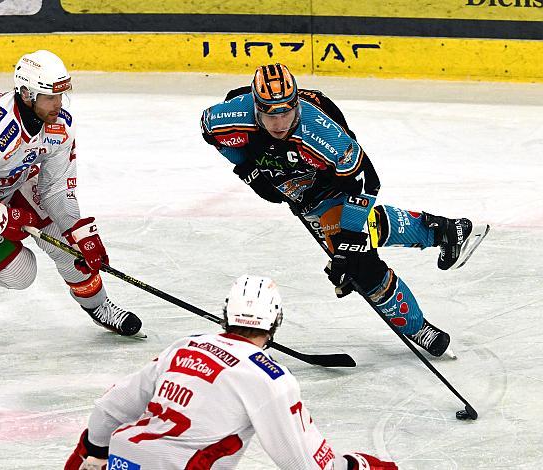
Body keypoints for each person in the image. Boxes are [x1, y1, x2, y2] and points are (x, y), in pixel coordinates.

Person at [200, 64, 489, 357]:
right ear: (256, 107)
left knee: (357, 263)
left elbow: (365, 183)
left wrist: (348, 241)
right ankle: (446, 230)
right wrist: (248, 168)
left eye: (286, 112)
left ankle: (417, 327)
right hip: (299, 184)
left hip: (332, 180)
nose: (280, 122)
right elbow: (209, 130)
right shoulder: (230, 117)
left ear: (297, 103)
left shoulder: (322, 133)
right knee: (348, 245)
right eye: (271, 114)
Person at [65, 275, 398, 470]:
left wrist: (95, 454)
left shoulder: (185, 346)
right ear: (276, 321)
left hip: (124, 458)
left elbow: (109, 410)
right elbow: (303, 462)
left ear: (226, 314)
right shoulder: (269, 377)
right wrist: (363, 465)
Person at [0, 49, 142, 337]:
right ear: (26, 94)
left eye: (61, 95)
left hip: (12, 181)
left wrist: (78, 232)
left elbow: (55, 187)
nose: (58, 104)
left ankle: (100, 307)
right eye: (49, 97)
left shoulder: (60, 126)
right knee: (21, 275)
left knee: (68, 246)